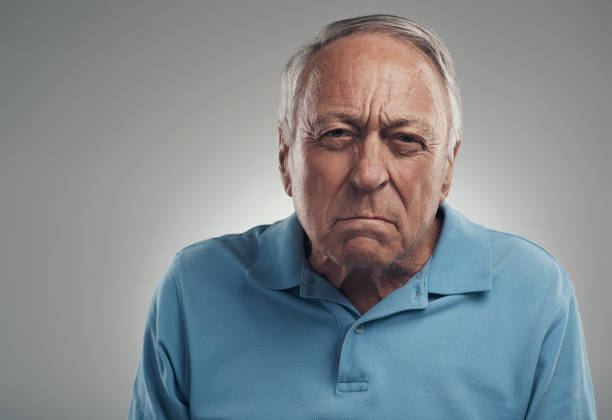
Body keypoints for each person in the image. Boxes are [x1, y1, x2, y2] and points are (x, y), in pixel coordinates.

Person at [128, 14, 596, 419]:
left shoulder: (535, 293)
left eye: (406, 140)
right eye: (336, 133)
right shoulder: (194, 286)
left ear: (447, 168)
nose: (369, 174)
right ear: (286, 158)